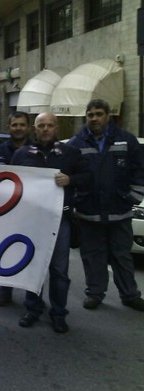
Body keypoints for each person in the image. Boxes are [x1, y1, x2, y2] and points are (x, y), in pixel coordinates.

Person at [12, 112, 91, 333]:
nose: (45, 129)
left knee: (59, 270)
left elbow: (88, 178)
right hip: (32, 221)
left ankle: (58, 313)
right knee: (32, 267)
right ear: (34, 129)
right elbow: (10, 184)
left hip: (60, 221)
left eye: (49, 125)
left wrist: (71, 180)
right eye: (41, 126)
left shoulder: (71, 154)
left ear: (56, 128)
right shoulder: (21, 154)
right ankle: (32, 309)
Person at [68, 99, 144, 312]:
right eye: (90, 114)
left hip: (119, 212)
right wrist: (76, 201)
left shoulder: (126, 140)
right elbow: (69, 176)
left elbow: (140, 171)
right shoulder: (76, 144)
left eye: (99, 114)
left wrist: (131, 198)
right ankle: (95, 294)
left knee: (122, 256)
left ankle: (130, 295)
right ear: (86, 117)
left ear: (108, 116)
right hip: (89, 213)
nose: (94, 118)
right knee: (93, 257)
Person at [0, 111, 32, 306]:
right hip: (6, 210)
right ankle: (5, 290)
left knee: (33, 252)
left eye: (22, 125)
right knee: (6, 250)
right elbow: (1, 176)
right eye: (15, 125)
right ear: (9, 127)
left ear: (28, 127)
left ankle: (33, 297)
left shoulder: (37, 149)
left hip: (32, 211)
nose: (18, 128)